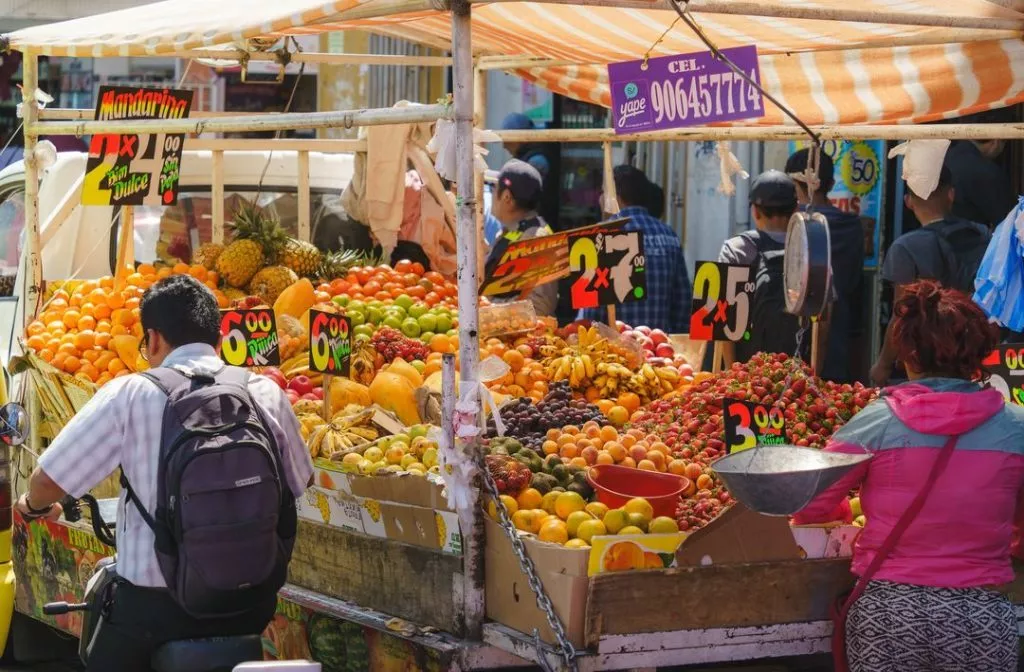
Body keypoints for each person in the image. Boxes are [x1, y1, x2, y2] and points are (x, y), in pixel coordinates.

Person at [14, 274, 313, 670]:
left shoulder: (131, 393)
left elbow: (49, 480)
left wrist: (33, 505)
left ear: (153, 339)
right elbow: (300, 481)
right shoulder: (264, 393)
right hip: (250, 605)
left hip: (155, 610)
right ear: (219, 338)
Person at [794, 280, 1021, 672]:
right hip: (981, 615)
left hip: (887, 614)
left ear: (908, 354)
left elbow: (811, 503)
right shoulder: (1016, 429)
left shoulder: (875, 422)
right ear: (975, 355)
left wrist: (847, 524)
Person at [870, 166, 990, 385]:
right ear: (951, 195)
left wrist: (883, 365)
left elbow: (902, 314)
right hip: (977, 350)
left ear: (908, 201)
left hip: (928, 359)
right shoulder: (982, 235)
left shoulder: (906, 247)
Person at [578, 165, 690, 333]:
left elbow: (589, 314)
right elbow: (683, 304)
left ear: (614, 196)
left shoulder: (600, 236)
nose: (600, 199)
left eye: (603, 192)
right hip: (659, 351)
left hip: (613, 354)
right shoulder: (669, 235)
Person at [785, 148, 865, 383]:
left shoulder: (791, 225)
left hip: (792, 329)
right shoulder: (852, 226)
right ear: (830, 184)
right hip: (838, 332)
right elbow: (852, 281)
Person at [718, 170, 805, 364]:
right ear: (796, 209)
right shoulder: (811, 250)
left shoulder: (736, 249)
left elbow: (722, 323)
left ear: (754, 211)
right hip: (799, 378)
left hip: (748, 374)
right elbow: (824, 321)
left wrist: (733, 373)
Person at [485, 159, 558, 316]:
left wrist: (487, 308)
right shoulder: (512, 230)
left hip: (522, 339)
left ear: (506, 197)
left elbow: (538, 307)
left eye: (493, 188)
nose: (490, 194)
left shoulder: (537, 239)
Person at [498, 113, 559, 227]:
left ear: (520, 138)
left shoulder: (537, 161)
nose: (504, 145)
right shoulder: (523, 158)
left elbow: (521, 192)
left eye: (507, 140)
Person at [945, 139, 1017, 229]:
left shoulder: (946, 155)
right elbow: (1009, 222)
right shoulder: (988, 172)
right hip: (970, 237)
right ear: (996, 142)